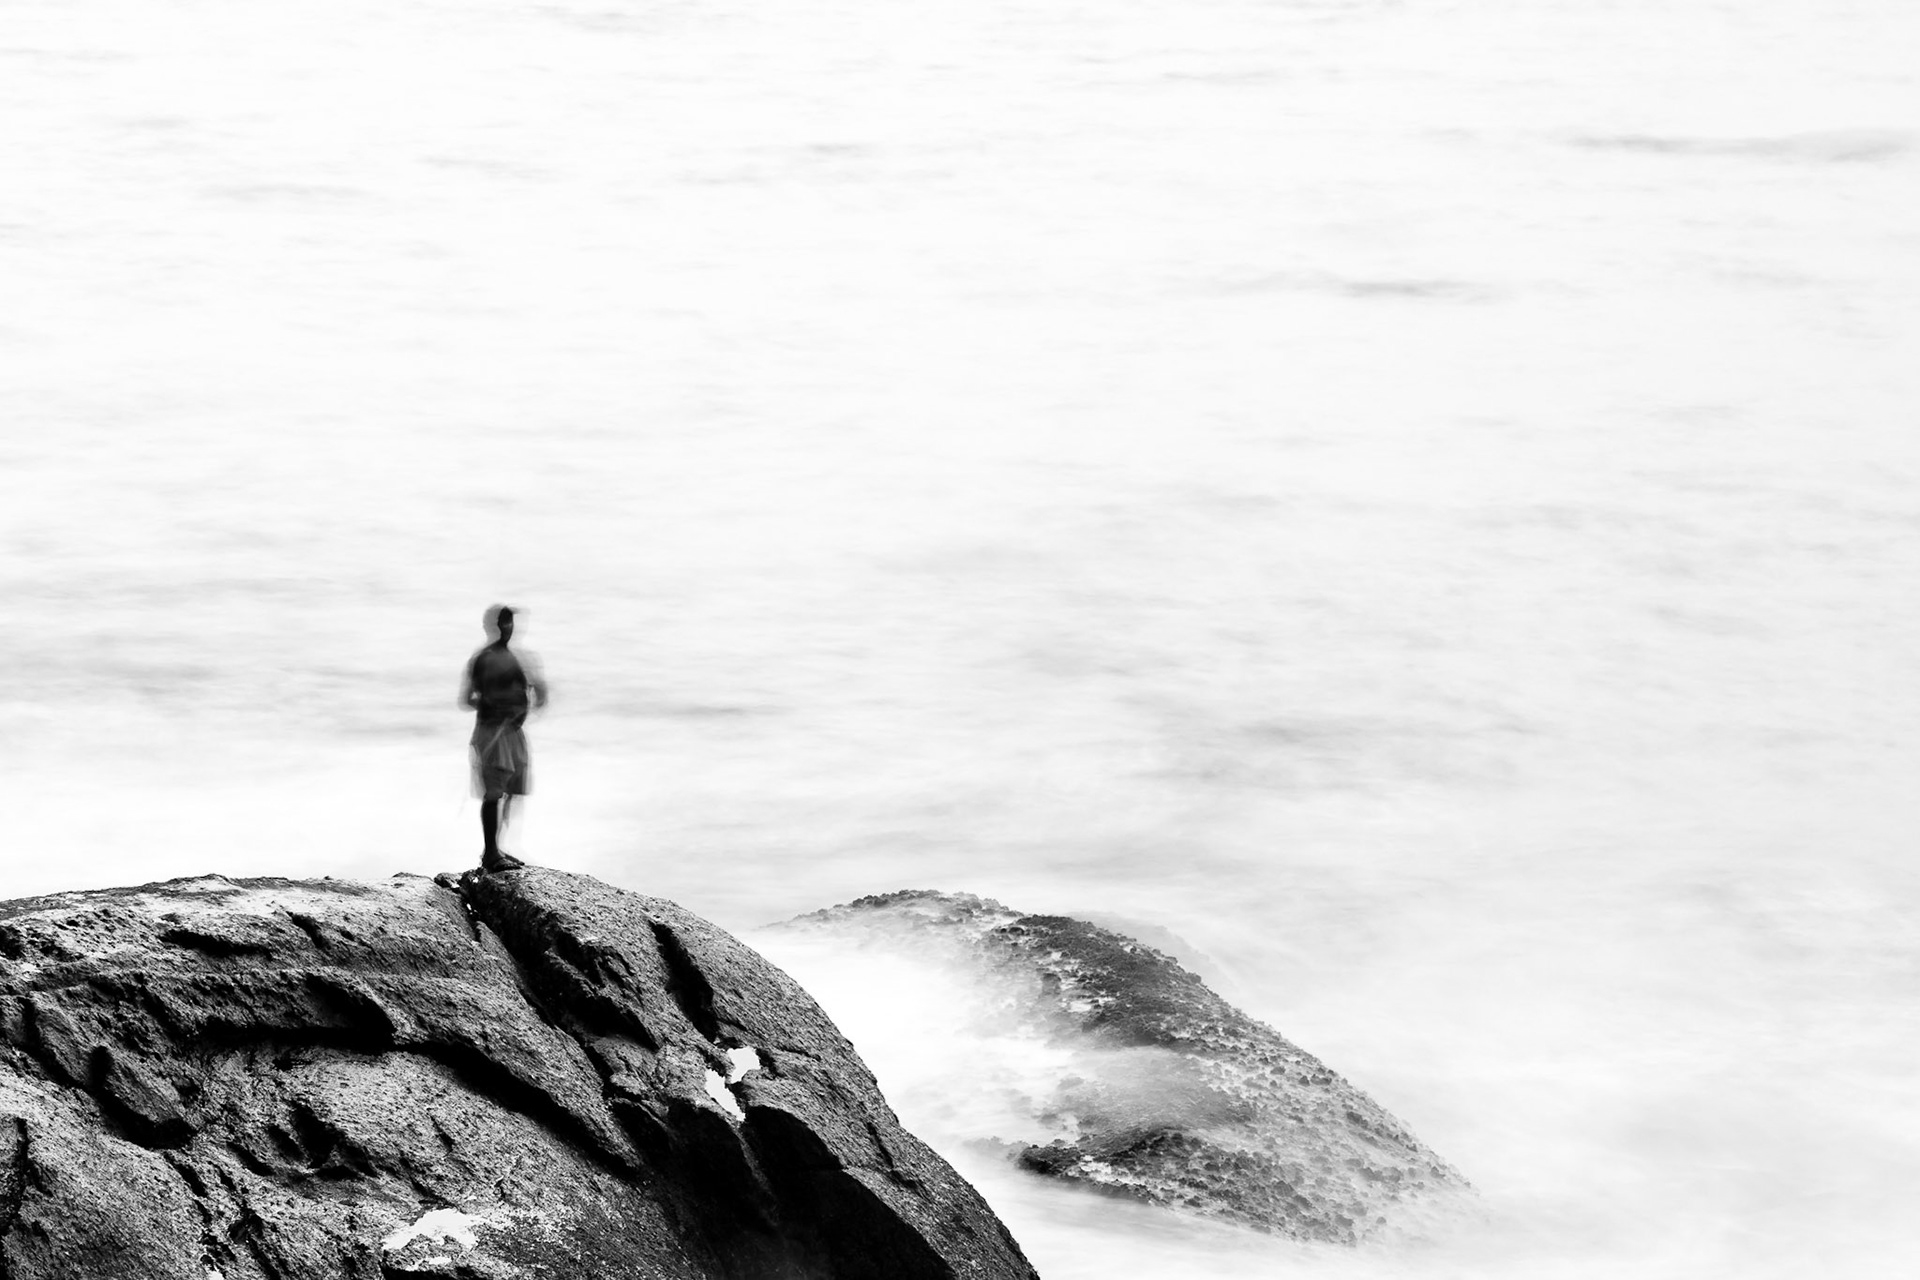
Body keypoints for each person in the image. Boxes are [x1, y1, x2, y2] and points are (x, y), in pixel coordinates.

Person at [459, 604, 548, 871]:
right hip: (491, 733)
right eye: (503, 623)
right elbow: (467, 699)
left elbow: (538, 692)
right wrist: (496, 707)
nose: (508, 628)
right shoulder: (483, 659)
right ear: (492, 626)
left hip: (513, 733)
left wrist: (533, 697)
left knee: (514, 790)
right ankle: (490, 854)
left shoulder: (520, 658)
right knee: (494, 792)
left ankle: (500, 846)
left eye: (511, 623)